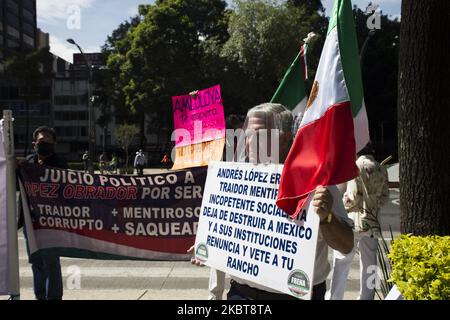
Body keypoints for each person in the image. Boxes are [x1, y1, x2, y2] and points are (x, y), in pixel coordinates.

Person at [191, 103, 354, 300]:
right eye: (247, 136)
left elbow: (346, 245)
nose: (250, 144)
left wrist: (327, 218)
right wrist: (209, 242)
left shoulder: (315, 181)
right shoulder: (235, 178)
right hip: (240, 295)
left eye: (259, 136)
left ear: (284, 138)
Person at [327, 143, 389, 300]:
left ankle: (335, 296)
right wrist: (372, 203)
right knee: (370, 262)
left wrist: (342, 202)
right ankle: (367, 296)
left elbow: (352, 197)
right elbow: (385, 197)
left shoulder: (356, 166)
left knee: (342, 259)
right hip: (373, 221)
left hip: (354, 220)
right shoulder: (381, 168)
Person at [19, 126, 67, 300]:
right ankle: (40, 296)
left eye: (48, 141)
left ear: (54, 143)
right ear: (34, 144)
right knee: (36, 262)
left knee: (51, 263)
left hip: (51, 222)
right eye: (41, 142)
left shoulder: (59, 163)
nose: (44, 144)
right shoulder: (27, 162)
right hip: (30, 221)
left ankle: (53, 297)